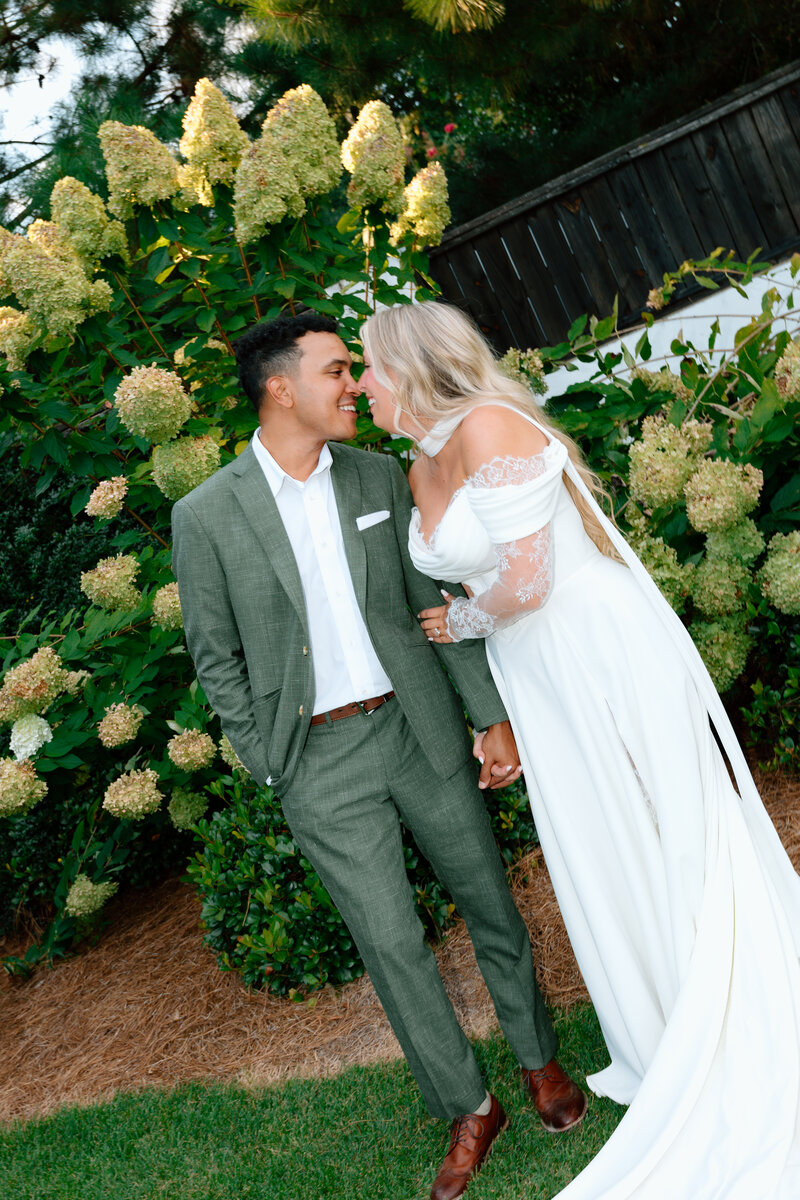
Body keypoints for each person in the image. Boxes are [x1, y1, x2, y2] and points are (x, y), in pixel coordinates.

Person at [360, 298, 800, 1199]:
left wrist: (466, 622)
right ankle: (667, 1023)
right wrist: (483, 636)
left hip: (596, 649)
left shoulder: (488, 426)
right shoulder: (421, 460)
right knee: (601, 843)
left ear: (407, 368)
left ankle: (739, 1017)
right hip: (537, 674)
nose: (361, 383)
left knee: (664, 823)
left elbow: (529, 577)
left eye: (366, 364)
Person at [171, 311, 587, 1200]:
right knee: (391, 944)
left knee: (488, 902)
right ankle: (468, 1106)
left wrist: (489, 714)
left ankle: (538, 1061)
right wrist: (268, 757)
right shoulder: (205, 514)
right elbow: (215, 655)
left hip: (418, 727)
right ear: (281, 387)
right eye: (334, 371)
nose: (353, 383)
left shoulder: (378, 475)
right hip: (317, 761)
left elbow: (431, 598)